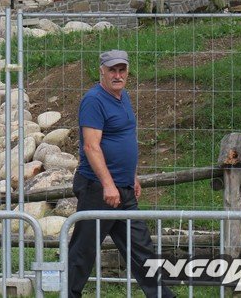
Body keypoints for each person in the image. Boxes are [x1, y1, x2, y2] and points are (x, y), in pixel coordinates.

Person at [68, 50, 175, 298]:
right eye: (112, 70)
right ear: (101, 71)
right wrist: (108, 185)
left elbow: (125, 137)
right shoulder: (93, 101)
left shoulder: (123, 96)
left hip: (123, 189)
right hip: (98, 189)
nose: (117, 75)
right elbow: (91, 146)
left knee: (142, 249)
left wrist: (132, 176)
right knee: (83, 250)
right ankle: (67, 294)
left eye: (122, 70)